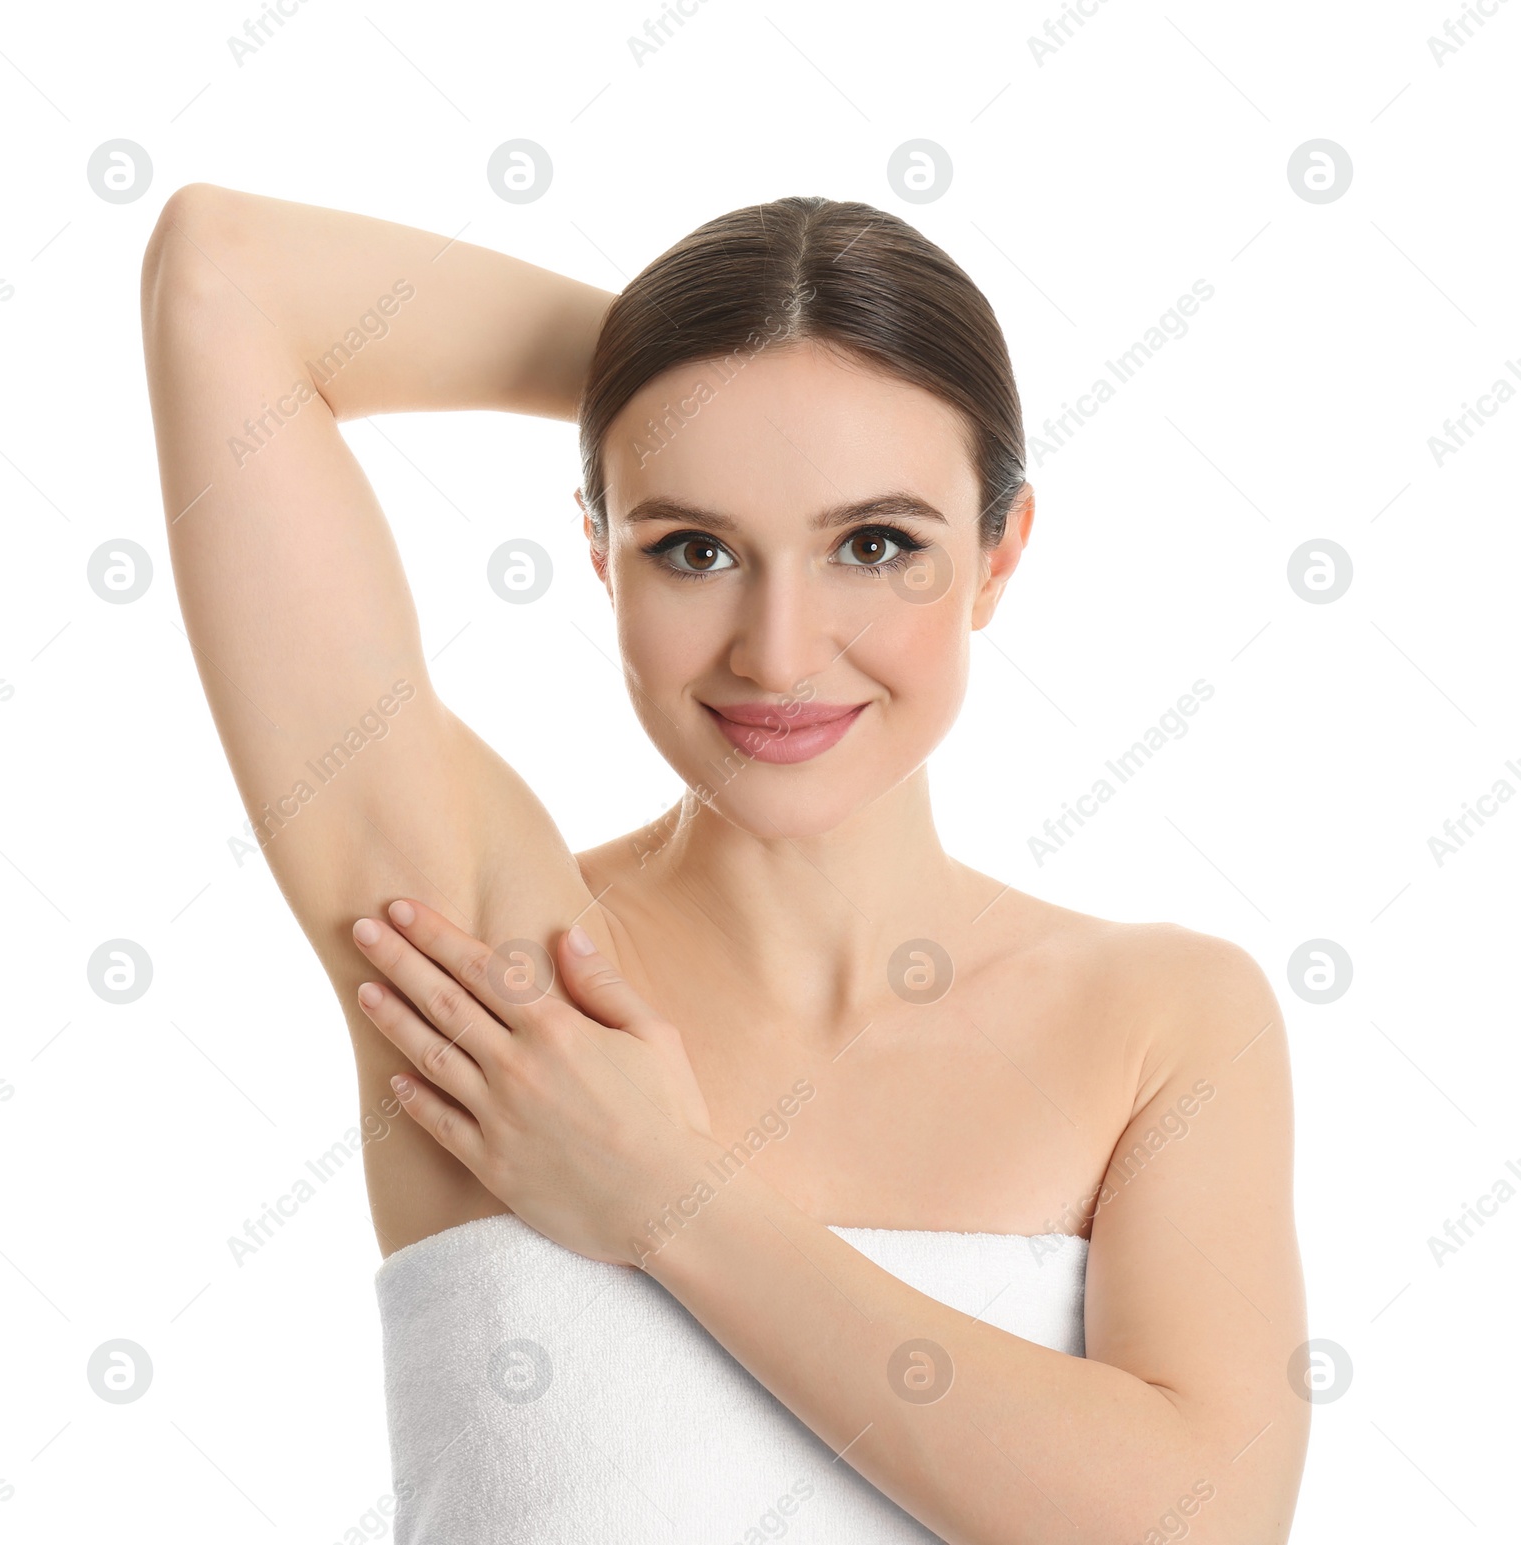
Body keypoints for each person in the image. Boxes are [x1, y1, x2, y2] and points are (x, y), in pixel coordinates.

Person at [140, 186, 1308, 1542]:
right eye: (694, 545)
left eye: (876, 542)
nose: (779, 647)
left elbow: (1196, 1526)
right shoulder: (501, 969)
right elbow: (221, 276)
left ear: (1000, 554)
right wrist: (675, 374)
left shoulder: (1161, 1021)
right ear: (599, 549)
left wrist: (667, 1193)